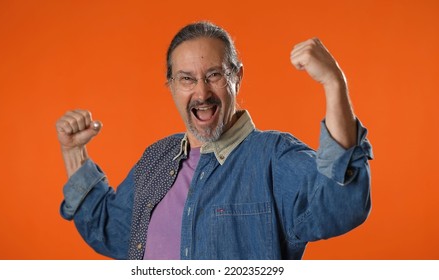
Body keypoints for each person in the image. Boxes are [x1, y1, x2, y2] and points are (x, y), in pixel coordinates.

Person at [56, 21, 373, 260]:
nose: (202, 93)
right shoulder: (156, 159)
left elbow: (339, 205)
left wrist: (334, 83)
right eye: (187, 79)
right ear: (171, 85)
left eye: (214, 75)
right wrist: (73, 152)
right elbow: (112, 230)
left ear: (237, 77)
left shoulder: (273, 157)